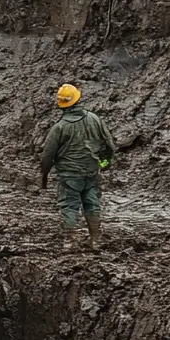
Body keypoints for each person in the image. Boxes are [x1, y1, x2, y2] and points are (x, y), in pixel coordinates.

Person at [40, 84, 117, 249]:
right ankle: (96, 239)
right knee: (92, 203)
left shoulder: (59, 128)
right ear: (78, 99)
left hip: (69, 176)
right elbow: (109, 146)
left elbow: (47, 156)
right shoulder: (95, 119)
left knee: (69, 205)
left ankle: (71, 241)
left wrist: (44, 174)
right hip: (92, 172)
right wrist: (104, 164)